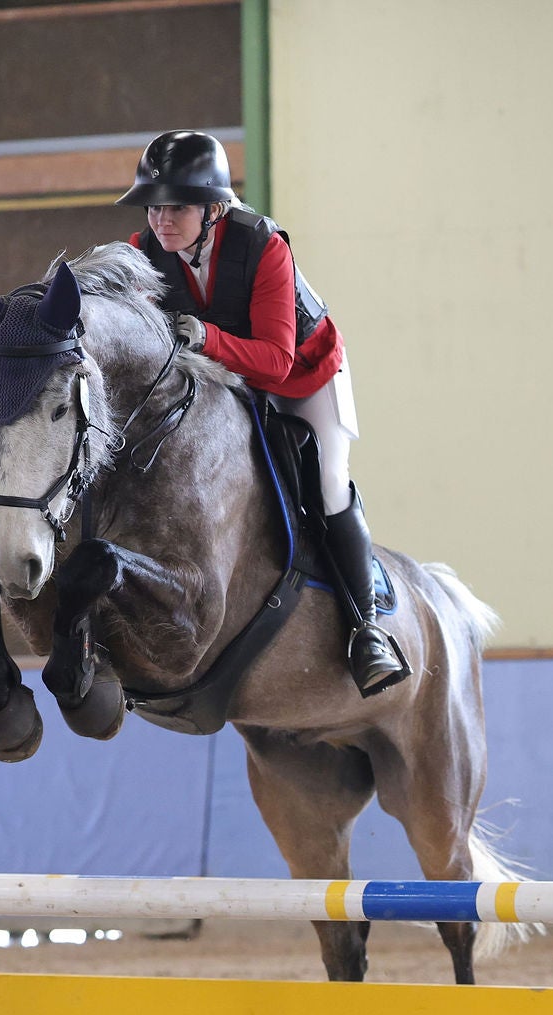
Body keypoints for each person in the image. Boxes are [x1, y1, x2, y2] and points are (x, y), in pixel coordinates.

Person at [116, 130, 411, 698]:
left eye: (175, 206)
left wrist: (202, 336)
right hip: (226, 379)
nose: (160, 220)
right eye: (154, 206)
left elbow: (276, 362)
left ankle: (366, 629)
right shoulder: (146, 252)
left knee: (325, 486)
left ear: (213, 206)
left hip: (306, 376)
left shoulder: (264, 246)